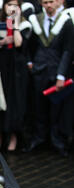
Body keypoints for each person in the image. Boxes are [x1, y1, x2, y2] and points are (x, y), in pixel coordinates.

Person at [23, 0, 73, 157]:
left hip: (56, 70)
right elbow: (29, 45)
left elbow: (68, 50)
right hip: (39, 70)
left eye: (51, 1)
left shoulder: (66, 22)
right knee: (38, 107)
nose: (48, 5)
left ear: (59, 2)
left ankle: (56, 140)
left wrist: (61, 75)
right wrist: (30, 61)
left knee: (57, 108)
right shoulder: (35, 20)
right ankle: (39, 138)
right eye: (45, 2)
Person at [0, 0, 32, 151]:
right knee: (0, 98)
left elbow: (19, 43)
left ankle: (14, 136)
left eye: (15, 5)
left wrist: (16, 23)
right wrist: (1, 42)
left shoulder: (25, 24)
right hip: (0, 64)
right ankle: (0, 136)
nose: (11, 8)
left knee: (15, 100)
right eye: (9, 4)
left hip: (16, 68)